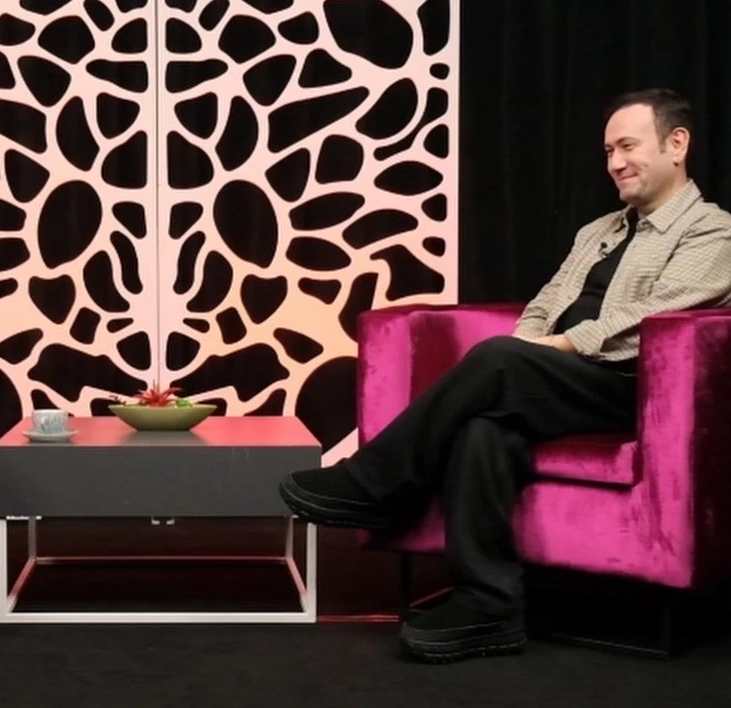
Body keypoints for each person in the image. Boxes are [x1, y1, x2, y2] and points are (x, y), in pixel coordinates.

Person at [279, 88, 731, 663]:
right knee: (483, 430)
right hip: (560, 376)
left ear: (677, 144)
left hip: (632, 389)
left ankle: (374, 483)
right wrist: (533, 346)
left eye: (628, 146)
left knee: (499, 359)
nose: (616, 162)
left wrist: (547, 348)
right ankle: (488, 605)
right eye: (608, 151)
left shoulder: (712, 231)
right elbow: (542, 304)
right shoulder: (598, 232)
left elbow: (657, 319)